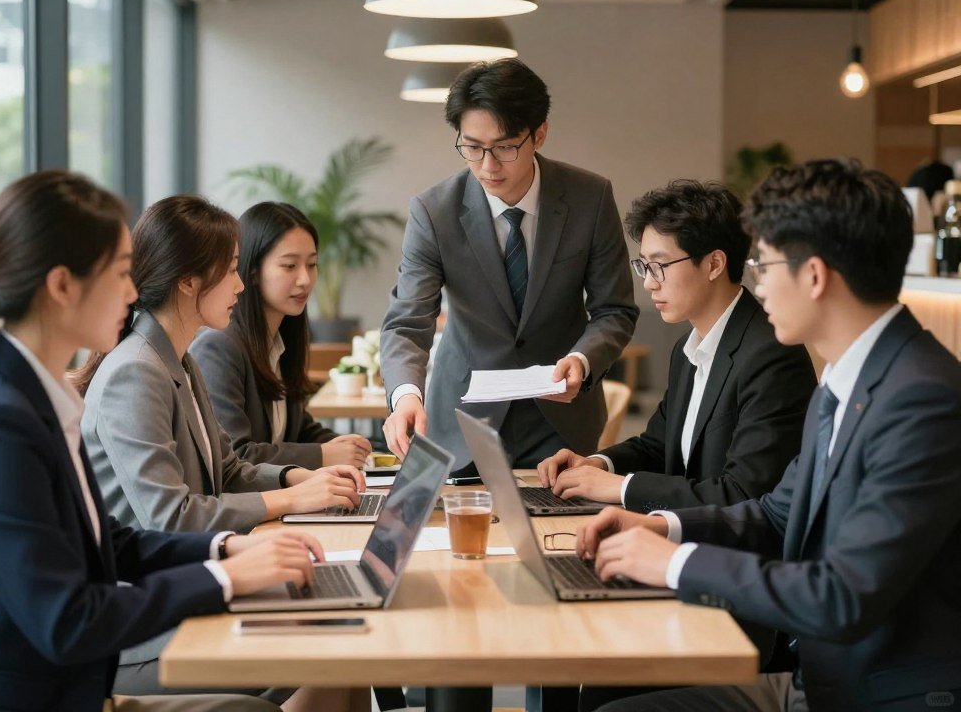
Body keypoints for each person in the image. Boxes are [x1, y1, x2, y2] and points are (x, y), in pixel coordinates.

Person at [0, 170, 328, 712]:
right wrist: (224, 577)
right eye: (122, 273)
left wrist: (226, 548)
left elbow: (111, 543)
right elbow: (68, 620)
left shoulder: (34, 397)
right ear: (61, 286)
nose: (134, 289)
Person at [578, 159, 961, 711]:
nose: (755, 281)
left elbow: (843, 596)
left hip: (875, 694)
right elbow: (777, 514)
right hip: (823, 677)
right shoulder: (849, 377)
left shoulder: (922, 400)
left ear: (814, 275)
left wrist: (675, 564)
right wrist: (659, 525)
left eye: (764, 264)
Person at [77, 195, 366, 704]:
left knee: (339, 631)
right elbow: (170, 515)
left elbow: (227, 468)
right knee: (335, 639)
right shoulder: (136, 372)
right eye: (232, 271)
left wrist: (295, 481)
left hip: (185, 588)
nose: (239, 285)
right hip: (142, 632)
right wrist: (289, 500)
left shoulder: (179, 361)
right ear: (189, 281)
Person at [380, 58, 639, 472]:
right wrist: (406, 394)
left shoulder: (589, 199)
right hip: (462, 420)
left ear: (539, 134)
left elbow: (615, 310)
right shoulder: (434, 211)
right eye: (472, 147)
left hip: (561, 420)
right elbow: (408, 320)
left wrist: (584, 360)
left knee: (560, 535)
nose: (487, 165)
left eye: (504, 147)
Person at [538, 180, 815, 513]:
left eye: (660, 266)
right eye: (643, 265)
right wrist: (597, 465)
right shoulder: (687, 348)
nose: (649, 282)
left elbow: (743, 494)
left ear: (714, 264)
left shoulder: (770, 355)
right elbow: (658, 446)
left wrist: (621, 487)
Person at [191, 201, 371, 471]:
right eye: (289, 266)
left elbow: (296, 430)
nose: (305, 280)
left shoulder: (280, 341)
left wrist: (353, 448)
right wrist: (323, 455)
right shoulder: (218, 348)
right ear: (252, 271)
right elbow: (235, 456)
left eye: (311, 265)